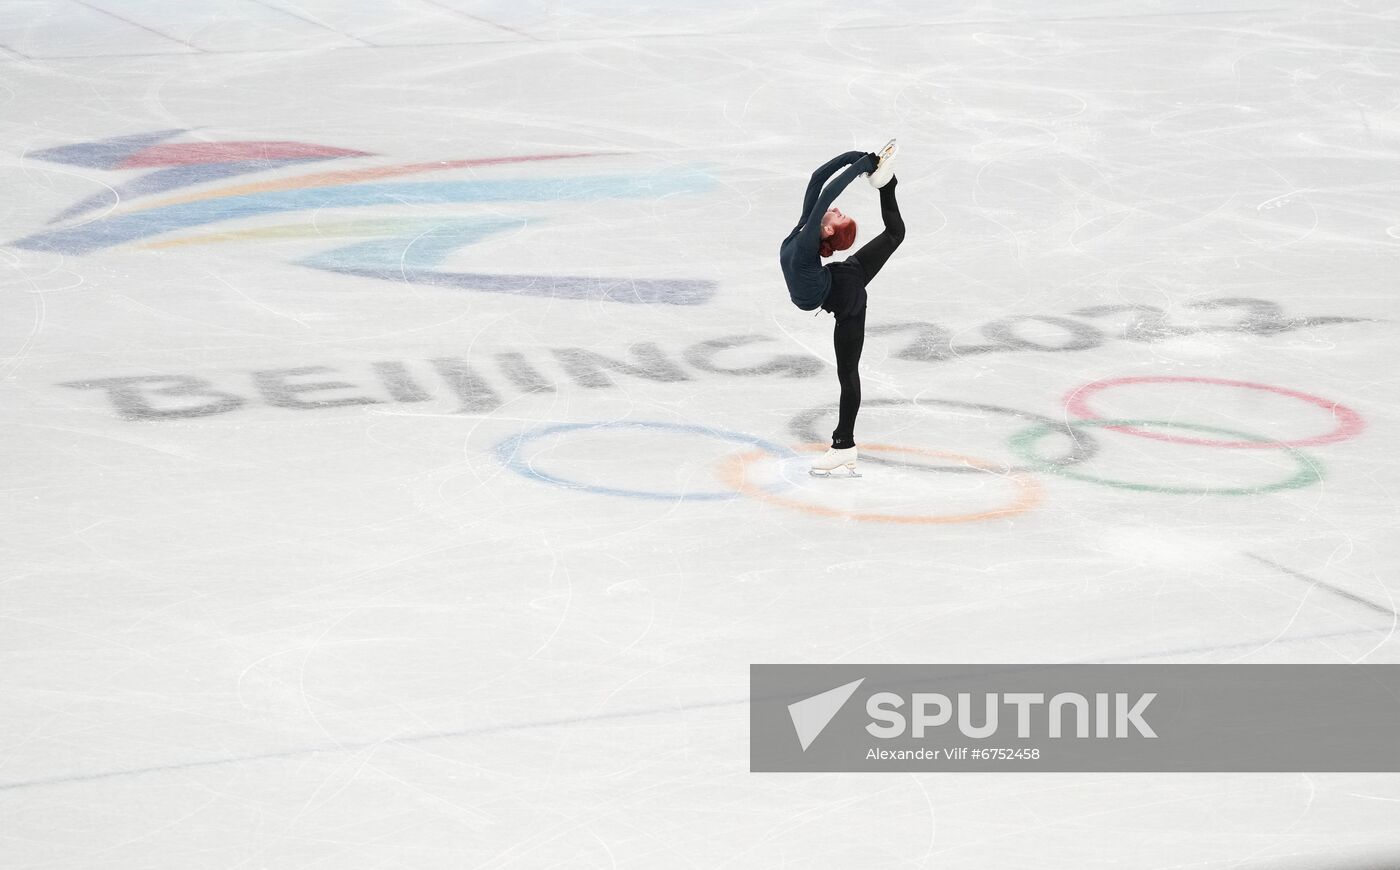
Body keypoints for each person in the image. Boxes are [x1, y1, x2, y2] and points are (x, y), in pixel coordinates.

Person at [779, 144, 903, 477]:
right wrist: (852, 156)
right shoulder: (805, 229)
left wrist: (861, 165)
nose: (835, 209)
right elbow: (817, 180)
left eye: (839, 215)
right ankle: (887, 184)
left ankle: (844, 446)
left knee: (847, 375)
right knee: (895, 234)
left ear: (830, 230)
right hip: (841, 277)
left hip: (848, 301)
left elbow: (828, 191)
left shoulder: (805, 246)